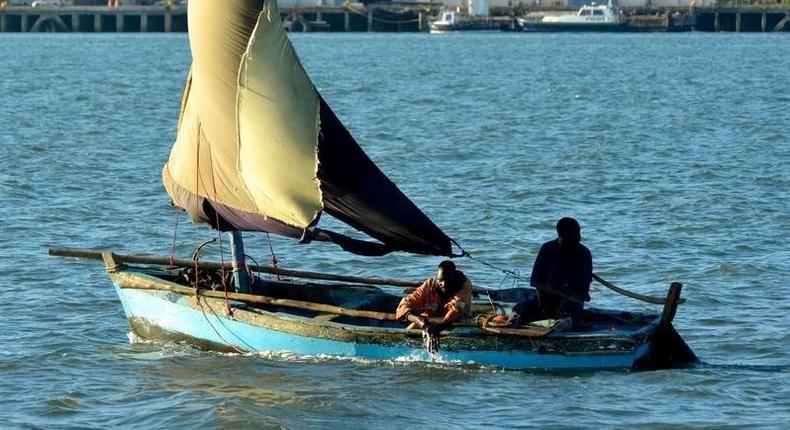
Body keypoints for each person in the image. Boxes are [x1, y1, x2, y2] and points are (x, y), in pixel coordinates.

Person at [515, 217, 592, 323]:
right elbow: (537, 282)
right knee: (520, 309)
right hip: (548, 300)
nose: (579, 237)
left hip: (572, 303)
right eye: (576, 233)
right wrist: (543, 306)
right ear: (565, 234)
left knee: (567, 316)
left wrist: (570, 300)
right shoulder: (547, 249)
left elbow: (584, 287)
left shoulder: (584, 253)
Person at [395, 260, 473, 331]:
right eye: (440, 280)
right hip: (430, 320)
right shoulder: (429, 286)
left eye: (447, 280)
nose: (444, 284)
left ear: (454, 279)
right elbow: (403, 305)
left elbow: (456, 310)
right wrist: (418, 320)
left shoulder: (463, 285)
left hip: (457, 322)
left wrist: (437, 329)